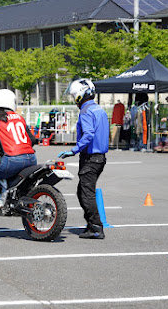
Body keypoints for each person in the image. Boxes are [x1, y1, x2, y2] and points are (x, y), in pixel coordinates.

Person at [58, 79, 109, 239]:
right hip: (100, 158)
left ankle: (96, 227)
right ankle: (91, 225)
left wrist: (73, 150)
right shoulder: (99, 109)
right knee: (82, 192)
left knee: (86, 193)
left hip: (90, 158)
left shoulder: (86, 111)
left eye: (75, 96)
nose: (74, 99)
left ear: (81, 95)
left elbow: (88, 134)